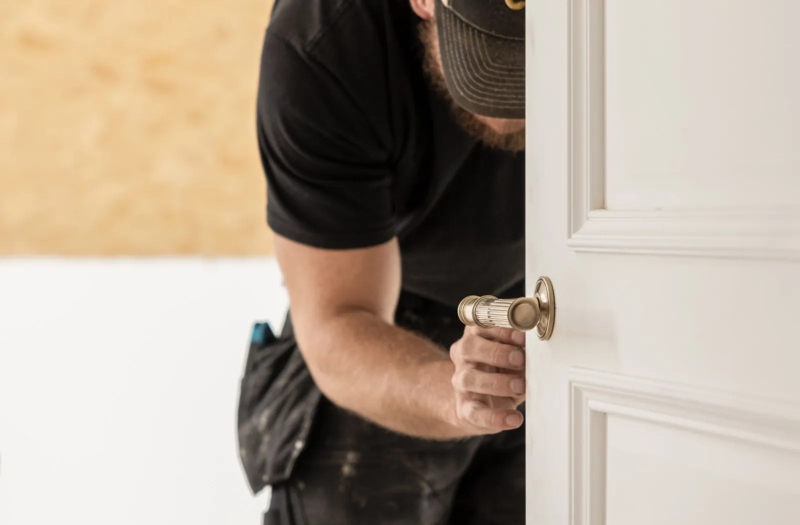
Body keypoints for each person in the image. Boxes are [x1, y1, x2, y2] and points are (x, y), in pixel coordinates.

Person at [246, 0, 527, 522]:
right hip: (388, 309)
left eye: (533, 66)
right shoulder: (322, 45)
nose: (510, 114)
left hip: (537, 301)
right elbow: (338, 320)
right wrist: (455, 396)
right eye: (487, 66)